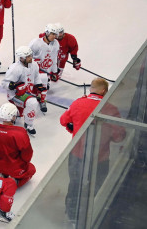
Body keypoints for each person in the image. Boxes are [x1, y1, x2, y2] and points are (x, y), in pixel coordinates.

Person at [60, 78, 126, 222]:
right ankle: (91, 216)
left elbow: (63, 120)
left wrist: (72, 128)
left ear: (91, 89)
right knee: (97, 186)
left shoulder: (78, 103)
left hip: (77, 154)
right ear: (104, 91)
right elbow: (119, 136)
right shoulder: (110, 109)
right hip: (100, 158)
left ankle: (71, 214)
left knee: (75, 183)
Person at [0, 46, 43, 136]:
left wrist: (39, 85)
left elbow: (36, 77)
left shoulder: (34, 64)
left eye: (30, 55)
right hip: (15, 95)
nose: (31, 57)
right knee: (32, 103)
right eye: (28, 56)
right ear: (21, 58)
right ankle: (29, 124)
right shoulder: (15, 69)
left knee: (16, 118)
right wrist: (12, 86)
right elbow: (4, 83)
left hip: (27, 93)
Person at [0, 103, 36, 187]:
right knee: (31, 169)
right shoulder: (20, 132)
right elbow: (27, 155)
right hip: (15, 168)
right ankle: (14, 182)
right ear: (13, 116)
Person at [29, 24, 60, 112]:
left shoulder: (55, 44)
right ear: (47, 33)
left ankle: (42, 100)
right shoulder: (36, 43)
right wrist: (33, 63)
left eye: (55, 34)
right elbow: (26, 55)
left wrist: (54, 72)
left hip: (46, 69)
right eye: (52, 34)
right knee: (34, 83)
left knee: (44, 82)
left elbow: (54, 59)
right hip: (34, 68)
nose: (54, 36)